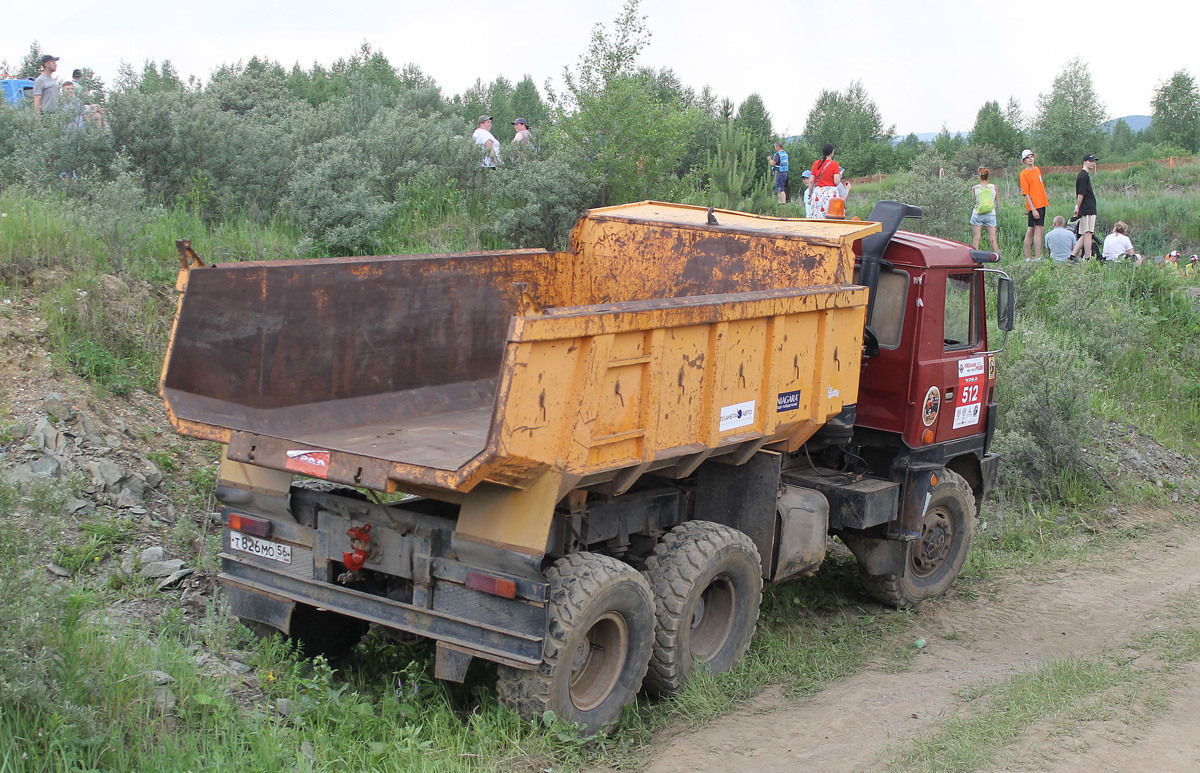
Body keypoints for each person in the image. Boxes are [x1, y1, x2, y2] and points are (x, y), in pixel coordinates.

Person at [1018, 149, 1048, 260]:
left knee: (1032, 229)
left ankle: (1029, 258)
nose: (1030, 159)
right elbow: (1025, 193)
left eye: (1031, 156)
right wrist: (1033, 209)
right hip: (1034, 204)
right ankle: (1037, 257)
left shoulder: (1037, 170)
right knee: (1037, 229)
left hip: (1042, 202)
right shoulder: (1024, 174)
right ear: (1024, 161)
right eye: (1027, 157)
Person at [1070, 154, 1099, 261]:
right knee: (1088, 233)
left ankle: (1073, 255)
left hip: (1086, 208)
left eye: (1094, 161)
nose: (1093, 163)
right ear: (1085, 162)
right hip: (1088, 208)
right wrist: (1078, 207)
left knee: (1083, 233)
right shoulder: (1083, 176)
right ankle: (1088, 257)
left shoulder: (1084, 175)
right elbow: (1080, 194)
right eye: (1091, 161)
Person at [807, 143, 841, 219]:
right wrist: (840, 176)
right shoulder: (834, 164)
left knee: (817, 214)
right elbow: (836, 181)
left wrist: (810, 195)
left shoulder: (816, 163)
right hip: (831, 193)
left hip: (818, 192)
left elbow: (811, 181)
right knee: (830, 216)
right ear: (832, 152)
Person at [970, 167, 999, 254]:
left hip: (977, 214)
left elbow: (973, 201)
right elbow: (996, 202)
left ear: (979, 177)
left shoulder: (975, 188)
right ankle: (996, 258)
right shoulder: (994, 187)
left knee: (976, 238)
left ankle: (975, 260)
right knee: (993, 239)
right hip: (990, 214)